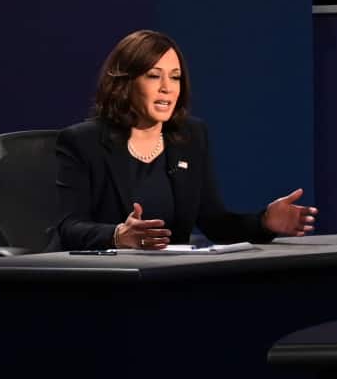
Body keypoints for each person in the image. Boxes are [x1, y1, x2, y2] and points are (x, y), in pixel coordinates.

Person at [47, 29, 319, 251]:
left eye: (175, 78)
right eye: (153, 76)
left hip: (163, 278)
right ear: (125, 83)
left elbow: (216, 223)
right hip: (98, 277)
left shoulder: (190, 137)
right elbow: (70, 227)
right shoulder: (83, 141)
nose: (167, 87)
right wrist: (118, 235)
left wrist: (264, 222)